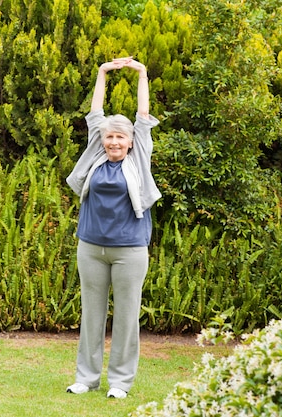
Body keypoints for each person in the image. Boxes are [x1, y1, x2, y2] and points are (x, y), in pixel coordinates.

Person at [65, 57, 161, 399]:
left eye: (120, 137)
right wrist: (103, 73)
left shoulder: (138, 156)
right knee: (91, 316)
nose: (114, 142)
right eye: (110, 137)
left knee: (126, 318)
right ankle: (86, 378)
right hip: (90, 246)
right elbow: (95, 114)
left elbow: (143, 117)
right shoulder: (96, 154)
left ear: (131, 141)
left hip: (130, 249)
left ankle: (119, 383)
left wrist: (142, 74)